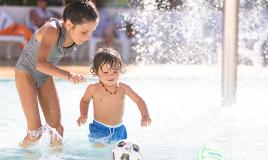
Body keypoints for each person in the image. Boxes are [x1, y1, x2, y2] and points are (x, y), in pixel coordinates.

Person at [15, 0, 99, 148]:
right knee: (35, 132)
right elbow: (39, 63)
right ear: (68, 24)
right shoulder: (52, 30)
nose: (88, 38)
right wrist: (68, 75)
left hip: (44, 76)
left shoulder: (74, 35)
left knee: (57, 130)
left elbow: (45, 67)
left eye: (92, 32)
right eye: (84, 32)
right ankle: (19, 155)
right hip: (25, 72)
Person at [77, 47, 151, 145]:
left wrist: (145, 115)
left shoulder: (123, 88)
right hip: (99, 128)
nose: (110, 76)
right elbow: (84, 101)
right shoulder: (93, 88)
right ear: (96, 71)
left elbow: (138, 100)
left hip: (119, 130)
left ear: (120, 70)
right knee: (99, 151)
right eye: (106, 72)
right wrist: (83, 114)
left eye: (115, 72)